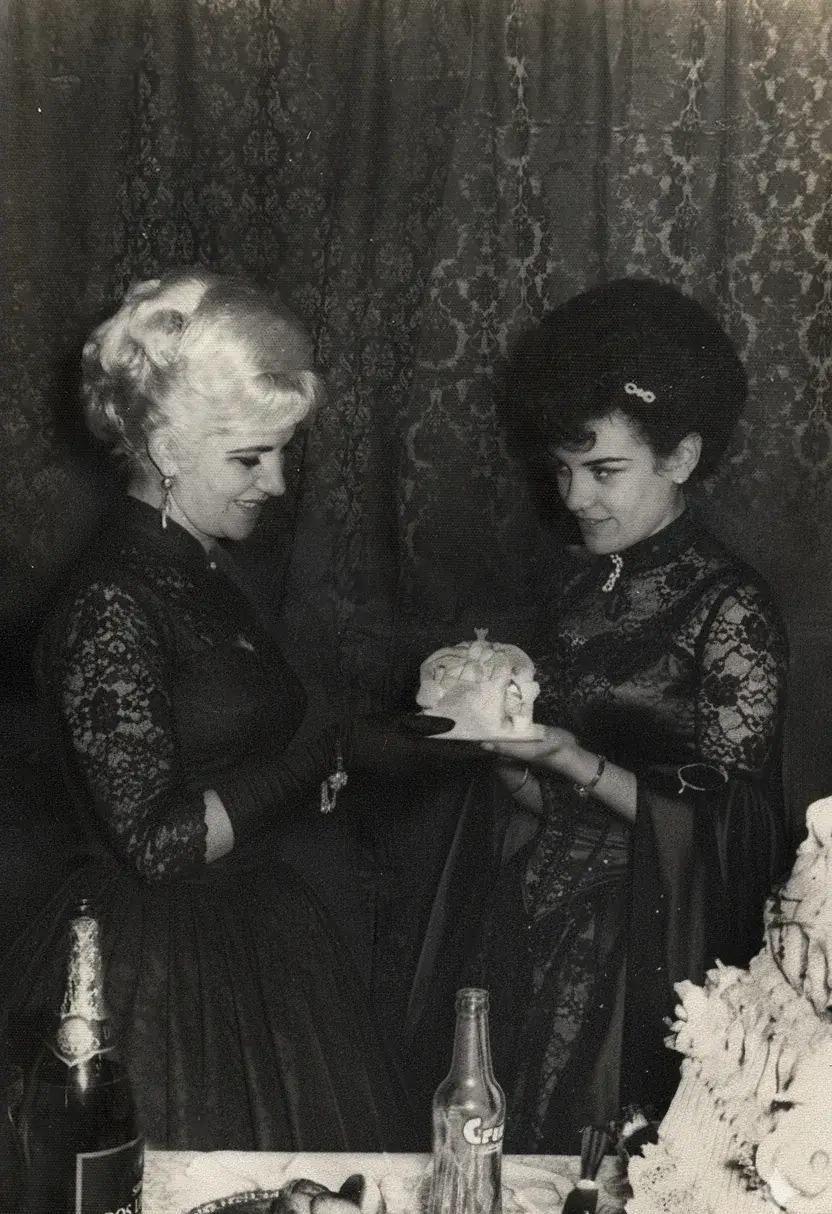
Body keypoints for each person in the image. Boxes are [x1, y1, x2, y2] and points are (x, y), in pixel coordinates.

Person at [0, 268, 458, 1151]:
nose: (278, 483)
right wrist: (334, 753)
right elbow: (160, 843)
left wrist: (357, 750)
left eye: (282, 451)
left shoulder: (199, 563)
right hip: (153, 975)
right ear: (169, 449)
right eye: (250, 457)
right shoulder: (110, 599)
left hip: (257, 934)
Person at [408, 277, 790, 1153]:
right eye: (564, 471)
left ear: (682, 458)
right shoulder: (579, 583)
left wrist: (571, 760)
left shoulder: (732, 612)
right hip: (531, 915)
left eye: (605, 470)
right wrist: (507, 756)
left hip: (649, 952)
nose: (577, 499)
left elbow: (738, 833)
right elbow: (546, 790)